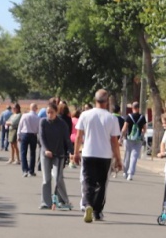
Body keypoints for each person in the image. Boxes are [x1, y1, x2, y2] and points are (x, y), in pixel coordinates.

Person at [72, 89, 124, 223]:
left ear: (95, 100)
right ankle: (97, 211)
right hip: (105, 155)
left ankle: (87, 204)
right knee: (102, 183)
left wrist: (76, 152)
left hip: (88, 153)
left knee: (87, 180)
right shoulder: (111, 118)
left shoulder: (85, 115)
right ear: (107, 102)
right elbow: (114, 141)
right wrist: (118, 159)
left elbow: (78, 136)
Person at [37, 97, 73, 210]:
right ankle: (45, 202)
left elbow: (67, 139)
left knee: (58, 178)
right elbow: (41, 137)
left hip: (59, 154)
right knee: (46, 178)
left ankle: (65, 200)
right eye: (48, 112)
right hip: (45, 154)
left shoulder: (62, 124)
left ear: (56, 112)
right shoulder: (43, 122)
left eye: (52, 112)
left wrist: (72, 152)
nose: (49, 114)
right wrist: (46, 149)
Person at [121, 101, 147, 181]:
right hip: (138, 140)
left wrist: (121, 137)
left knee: (127, 156)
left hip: (128, 139)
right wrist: (140, 133)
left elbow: (124, 128)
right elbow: (144, 129)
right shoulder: (142, 117)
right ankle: (130, 174)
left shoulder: (128, 117)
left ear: (132, 108)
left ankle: (125, 172)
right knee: (134, 157)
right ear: (138, 108)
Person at [17, 102, 41, 177]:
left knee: (23, 153)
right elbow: (39, 129)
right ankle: (31, 170)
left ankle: (25, 170)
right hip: (33, 135)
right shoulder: (38, 117)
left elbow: (20, 125)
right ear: (36, 109)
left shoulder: (24, 116)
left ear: (30, 108)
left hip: (24, 134)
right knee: (33, 153)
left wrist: (18, 135)